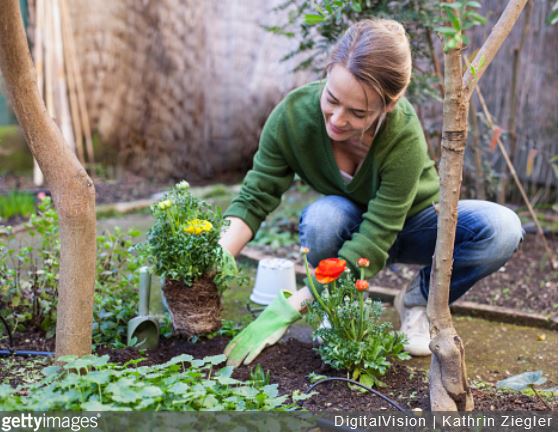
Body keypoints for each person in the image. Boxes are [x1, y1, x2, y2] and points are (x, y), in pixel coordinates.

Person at [219, 19, 524, 366]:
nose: (336, 119)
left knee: (503, 229)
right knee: (324, 217)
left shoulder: (402, 134)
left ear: (388, 106)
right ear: (328, 72)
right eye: (331, 99)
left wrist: (300, 299)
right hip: (348, 226)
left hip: (414, 225)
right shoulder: (292, 118)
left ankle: (416, 301)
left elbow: (378, 234)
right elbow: (256, 195)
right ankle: (341, 304)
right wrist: (216, 257)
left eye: (358, 112)